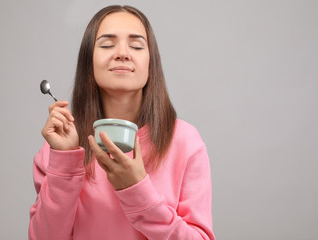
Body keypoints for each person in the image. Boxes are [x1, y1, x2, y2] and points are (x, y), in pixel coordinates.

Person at [29, 5, 215, 240]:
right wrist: (65, 161)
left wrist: (137, 190)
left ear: (151, 63)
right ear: (89, 61)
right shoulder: (58, 147)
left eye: (136, 46)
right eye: (107, 45)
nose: (123, 53)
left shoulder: (185, 142)